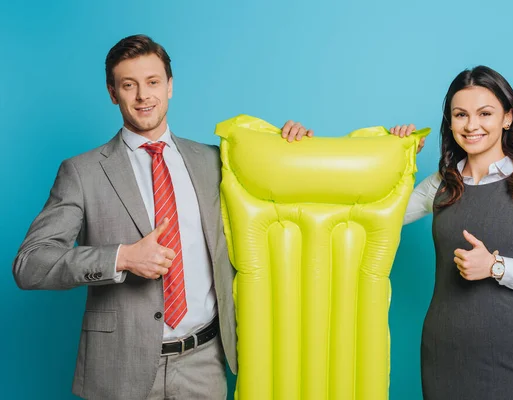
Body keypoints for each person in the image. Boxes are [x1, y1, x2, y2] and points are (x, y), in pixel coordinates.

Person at [12, 34, 311, 400]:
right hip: (120, 369)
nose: (143, 96)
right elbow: (30, 265)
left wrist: (290, 146)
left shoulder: (215, 161)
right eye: (129, 85)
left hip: (205, 361)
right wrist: (121, 257)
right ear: (112, 92)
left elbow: (290, 204)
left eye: (153, 82)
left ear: (170, 86)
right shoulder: (82, 172)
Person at [391, 65, 513, 400]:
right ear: (449, 122)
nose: (471, 125)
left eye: (485, 113)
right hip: (442, 355)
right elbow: (378, 217)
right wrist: (394, 157)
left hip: (510, 360)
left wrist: (497, 268)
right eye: (460, 114)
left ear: (507, 118)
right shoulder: (440, 184)